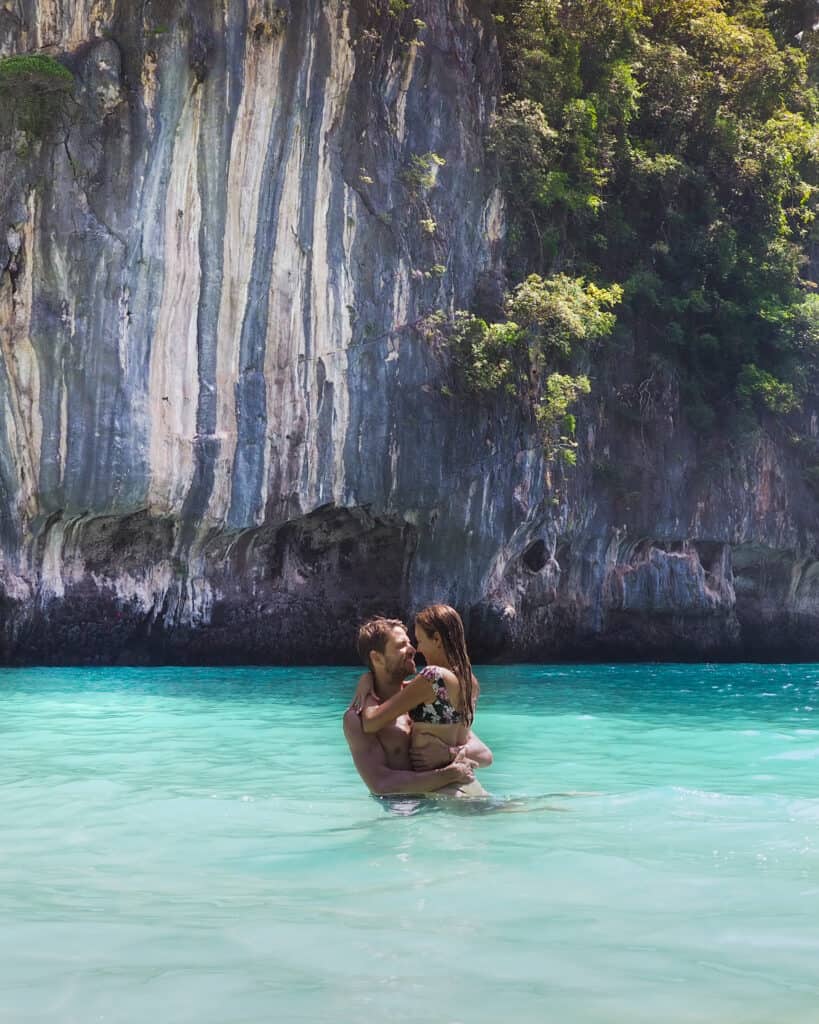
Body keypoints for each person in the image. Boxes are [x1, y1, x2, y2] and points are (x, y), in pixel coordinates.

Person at [342, 612, 493, 797]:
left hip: (451, 798)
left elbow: (484, 755)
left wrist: (449, 752)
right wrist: (447, 775)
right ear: (377, 659)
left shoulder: (425, 698)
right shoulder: (355, 720)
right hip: (406, 815)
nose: (413, 649)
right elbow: (380, 783)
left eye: (411, 642)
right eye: (401, 646)